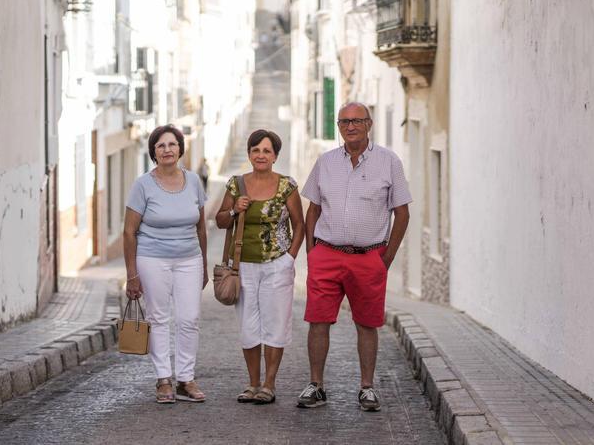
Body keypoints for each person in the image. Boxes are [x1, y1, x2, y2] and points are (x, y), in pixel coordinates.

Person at [297, 102, 411, 412]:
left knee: (367, 323)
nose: (350, 126)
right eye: (345, 121)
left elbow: (402, 213)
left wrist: (385, 258)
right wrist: (312, 252)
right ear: (338, 126)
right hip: (327, 254)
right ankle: (316, 385)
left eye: (357, 121)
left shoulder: (389, 162)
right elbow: (314, 209)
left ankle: (367, 387)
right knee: (318, 320)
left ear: (369, 124)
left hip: (368, 257)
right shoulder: (326, 162)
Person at [215, 129, 304, 405]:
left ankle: (269, 384)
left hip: (277, 264)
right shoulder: (236, 185)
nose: (261, 155)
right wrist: (234, 210)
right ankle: (252, 383)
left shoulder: (287, 186)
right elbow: (220, 221)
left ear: (275, 156)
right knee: (248, 326)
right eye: (256, 150)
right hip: (244, 268)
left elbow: (300, 225)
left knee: (275, 325)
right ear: (249, 154)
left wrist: (290, 258)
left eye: (267, 151)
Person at [123, 125, 209, 404]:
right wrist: (132, 275)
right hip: (152, 258)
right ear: (154, 152)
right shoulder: (142, 184)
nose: (167, 149)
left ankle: (186, 379)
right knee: (158, 318)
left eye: (172, 144)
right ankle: (163, 380)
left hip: (189, 259)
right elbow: (128, 232)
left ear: (180, 149)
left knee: (190, 318)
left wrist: (204, 265)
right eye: (161, 145)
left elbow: (201, 227)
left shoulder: (194, 180)